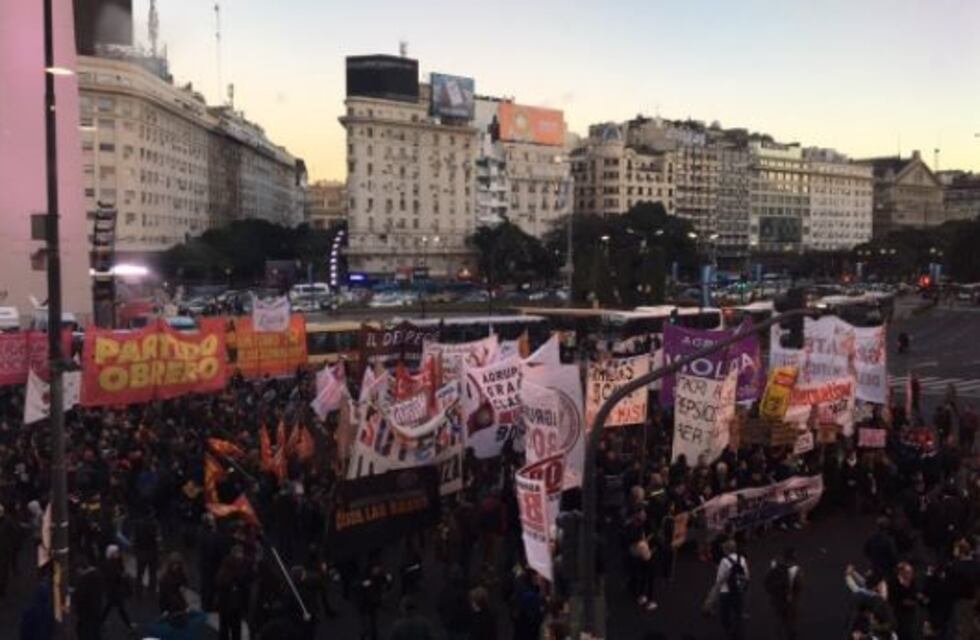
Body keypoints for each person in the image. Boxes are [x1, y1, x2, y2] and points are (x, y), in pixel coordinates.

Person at [704, 538, 749, 640]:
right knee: (738, 612)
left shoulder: (724, 561)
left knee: (725, 613)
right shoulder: (741, 559)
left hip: (726, 591)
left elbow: (719, 580)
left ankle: (728, 630)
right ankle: (738, 631)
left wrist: (713, 596)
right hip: (738, 589)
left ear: (726, 550)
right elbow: (746, 575)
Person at [765, 547, 802, 640]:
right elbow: (799, 585)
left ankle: (779, 636)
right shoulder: (796, 569)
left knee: (779, 620)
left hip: (777, 598)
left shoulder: (776, 567)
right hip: (790, 599)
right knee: (791, 620)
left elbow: (767, 582)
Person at [215, 544, 251, 640]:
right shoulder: (229, 566)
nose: (241, 555)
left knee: (232, 629)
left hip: (233, 605)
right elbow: (223, 582)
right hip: (228, 605)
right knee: (229, 629)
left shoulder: (240, 565)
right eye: (240, 553)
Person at [100, 544, 134, 632]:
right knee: (120, 608)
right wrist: (122, 576)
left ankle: (100, 622)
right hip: (114, 590)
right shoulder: (109, 564)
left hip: (114, 590)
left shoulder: (116, 561)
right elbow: (113, 576)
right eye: (116, 552)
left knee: (109, 607)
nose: (118, 553)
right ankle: (129, 625)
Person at [74, 555, 105, 640]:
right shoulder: (98, 575)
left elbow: (79, 597)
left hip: (86, 613)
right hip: (96, 610)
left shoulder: (85, 580)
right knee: (95, 633)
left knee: (86, 633)